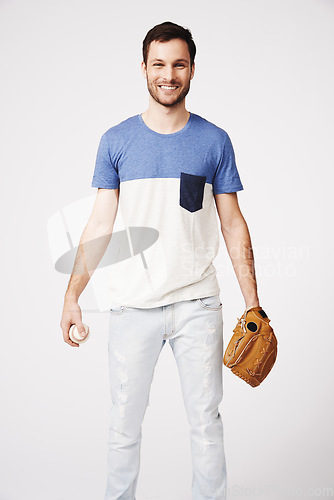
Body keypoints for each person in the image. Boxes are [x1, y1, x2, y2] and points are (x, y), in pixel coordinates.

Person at [60, 20, 260, 500]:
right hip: (132, 306)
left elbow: (233, 224)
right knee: (123, 427)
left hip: (198, 304)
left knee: (206, 423)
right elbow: (100, 224)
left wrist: (253, 304)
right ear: (144, 68)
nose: (168, 74)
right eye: (159, 64)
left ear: (192, 69)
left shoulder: (214, 141)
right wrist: (72, 296)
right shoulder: (116, 141)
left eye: (179, 64)